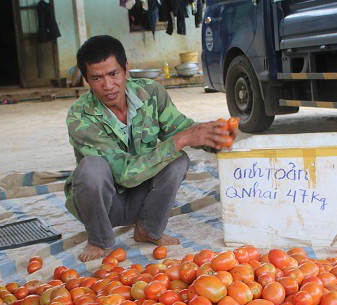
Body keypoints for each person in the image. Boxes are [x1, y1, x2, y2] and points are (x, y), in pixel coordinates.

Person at [65, 35, 237, 261]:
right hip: (106, 205)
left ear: (125, 69)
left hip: (141, 198)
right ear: (86, 79)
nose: (108, 86)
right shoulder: (80, 116)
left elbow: (182, 129)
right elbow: (124, 174)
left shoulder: (151, 93)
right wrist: (180, 140)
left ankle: (148, 229)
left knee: (178, 160)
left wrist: (216, 137)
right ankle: (98, 239)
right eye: (97, 78)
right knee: (91, 169)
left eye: (113, 74)